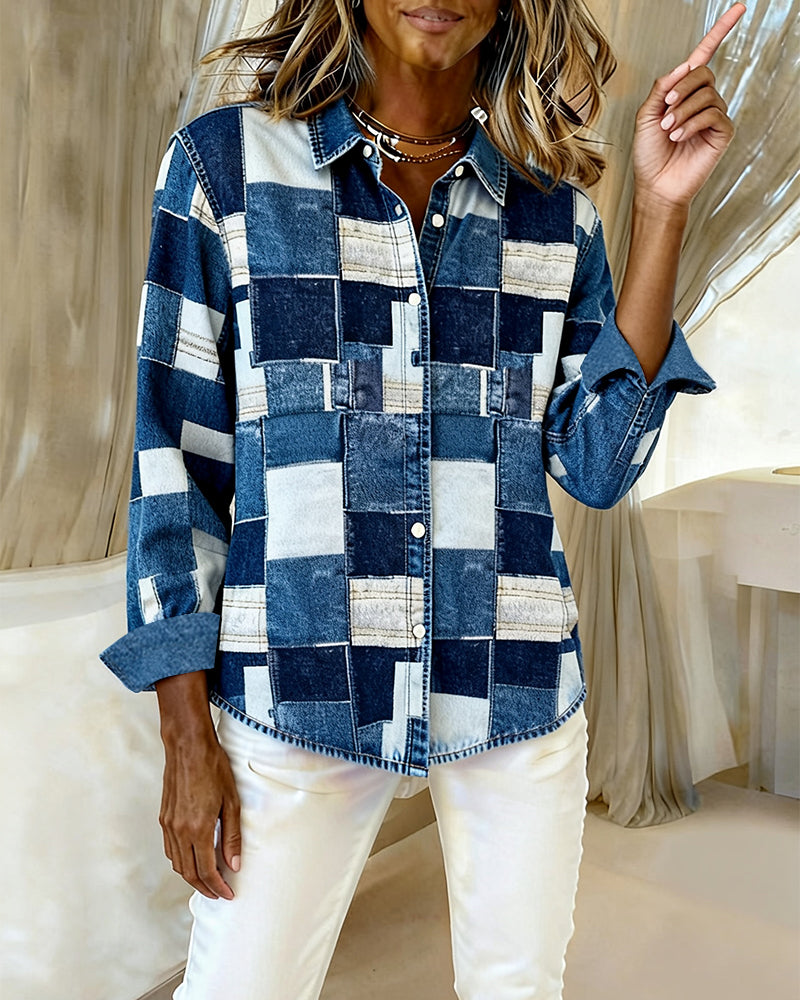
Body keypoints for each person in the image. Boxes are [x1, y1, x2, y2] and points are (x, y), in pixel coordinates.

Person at [100, 1, 745, 997]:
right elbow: (173, 460)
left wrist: (661, 211)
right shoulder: (225, 170)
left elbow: (597, 465)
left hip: (513, 685)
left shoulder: (553, 212)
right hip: (297, 685)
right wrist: (185, 736)